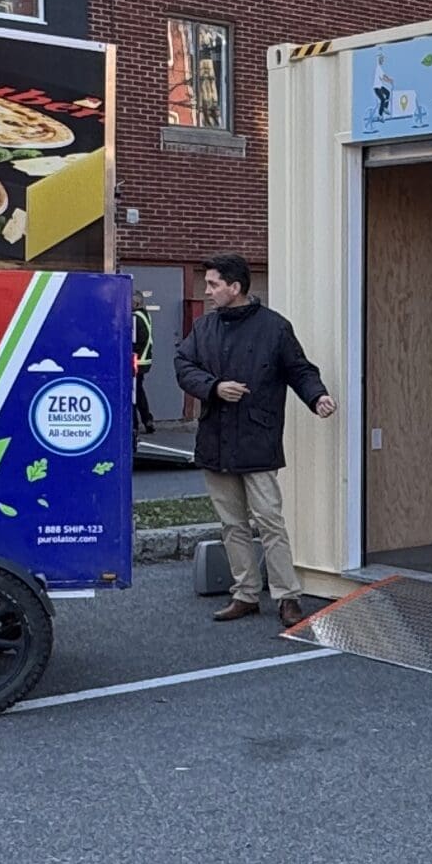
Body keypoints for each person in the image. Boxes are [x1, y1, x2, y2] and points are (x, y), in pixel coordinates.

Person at [173, 253, 333, 626]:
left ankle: (287, 597)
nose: (208, 291)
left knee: (270, 523)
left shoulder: (275, 328)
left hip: (257, 440)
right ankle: (245, 594)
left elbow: (299, 369)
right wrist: (214, 387)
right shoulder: (205, 328)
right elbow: (183, 366)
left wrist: (317, 396)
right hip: (215, 439)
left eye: (214, 284)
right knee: (232, 524)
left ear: (236, 287)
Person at [130, 296, 157, 439]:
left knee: (133, 393)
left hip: (136, 361)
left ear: (136, 302)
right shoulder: (145, 315)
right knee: (139, 391)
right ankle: (147, 420)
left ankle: (134, 424)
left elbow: (136, 340)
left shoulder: (134, 317)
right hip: (143, 360)